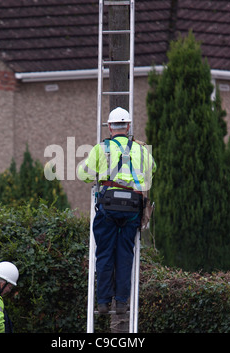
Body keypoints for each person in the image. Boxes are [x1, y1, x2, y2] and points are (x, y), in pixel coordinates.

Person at [78, 107, 156, 314]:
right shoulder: (141, 149)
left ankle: (103, 302)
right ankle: (121, 302)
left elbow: (82, 174)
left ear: (110, 126)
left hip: (108, 208)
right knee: (125, 255)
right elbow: (153, 170)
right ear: (128, 126)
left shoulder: (101, 148)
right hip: (132, 209)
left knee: (104, 254)